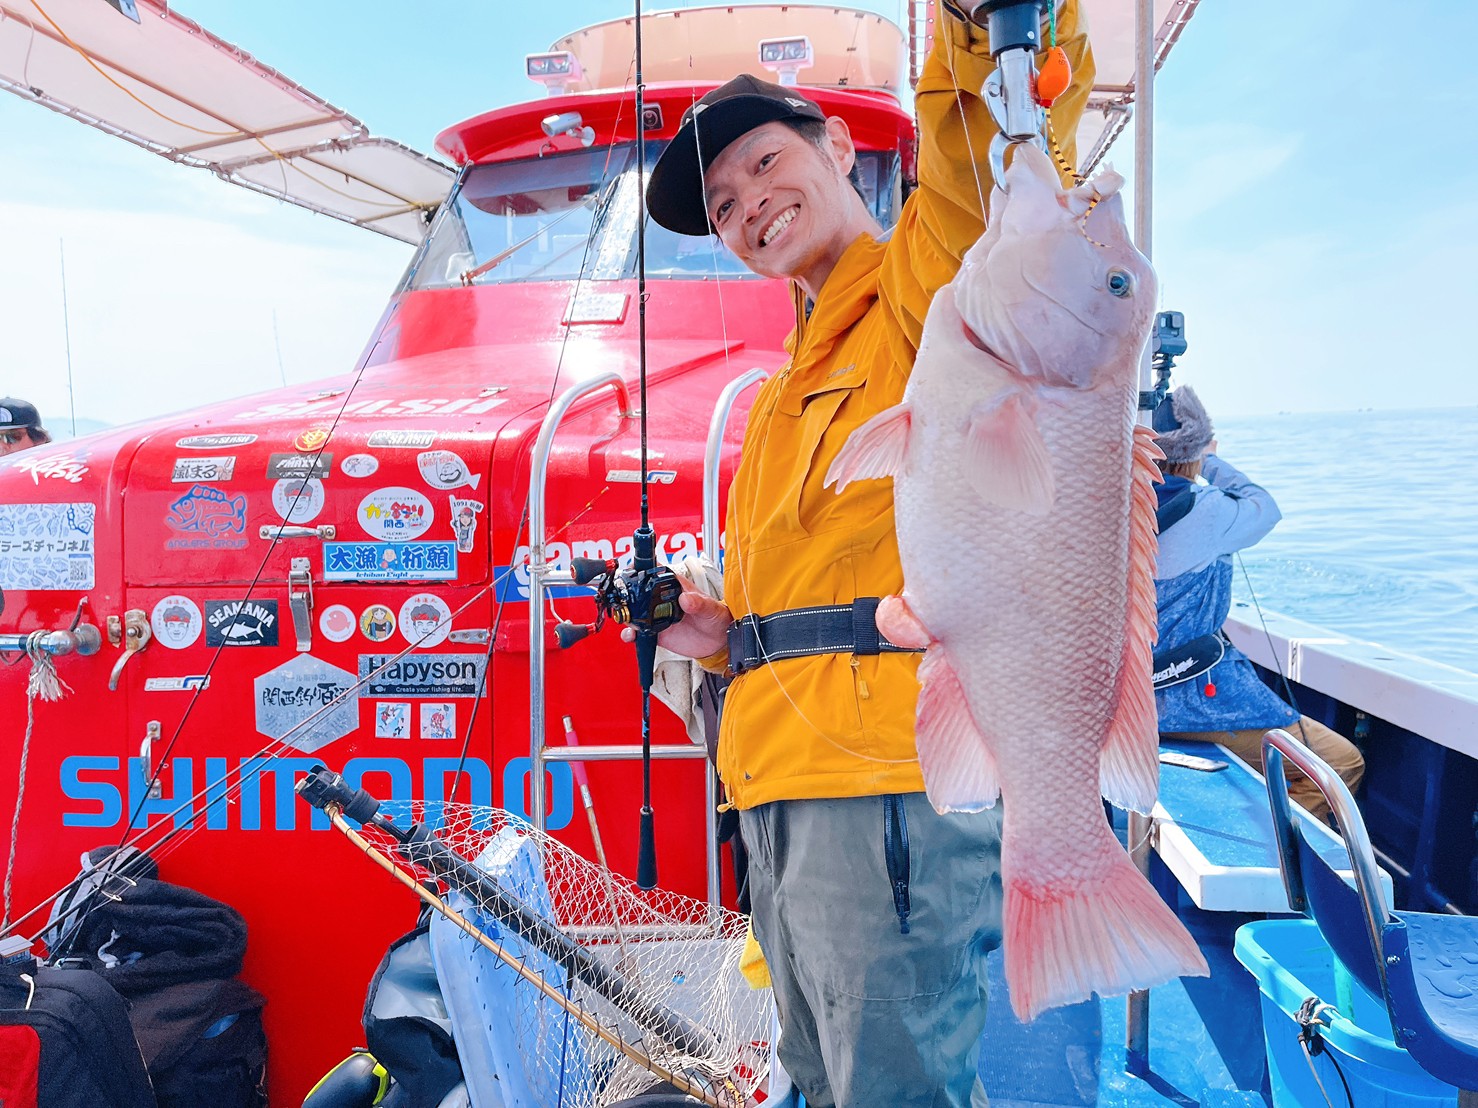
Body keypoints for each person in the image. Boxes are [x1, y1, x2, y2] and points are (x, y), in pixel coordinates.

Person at [641, 6, 1094, 1105]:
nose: (748, 202)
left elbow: (974, 162)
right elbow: (808, 581)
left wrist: (979, 30)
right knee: (823, 1079)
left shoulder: (922, 293)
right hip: (786, 798)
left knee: (890, 1089)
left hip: (882, 791)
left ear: (840, 149)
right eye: (722, 203)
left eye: (764, 161)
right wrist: (712, 625)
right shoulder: (788, 380)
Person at [1151, 386, 1365, 819]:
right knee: (1341, 764)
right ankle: (1276, 866)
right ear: (1192, 449)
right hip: (1190, 703)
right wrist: (1208, 458)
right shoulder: (1206, 509)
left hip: (1120, 701)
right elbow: (1265, 507)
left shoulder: (1113, 511)